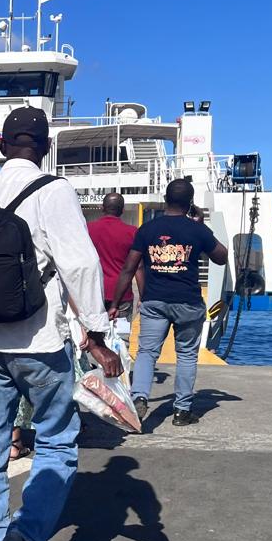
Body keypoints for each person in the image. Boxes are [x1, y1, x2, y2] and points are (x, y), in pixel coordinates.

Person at [0, 106, 122, 541]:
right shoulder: (54, 191)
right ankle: (26, 538)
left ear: (1, 145)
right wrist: (96, 333)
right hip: (40, 341)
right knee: (55, 441)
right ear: (46, 146)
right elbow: (80, 265)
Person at [109, 178, 228, 426]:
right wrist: (202, 228)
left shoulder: (147, 229)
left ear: (165, 199)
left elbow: (129, 268)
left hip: (155, 301)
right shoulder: (197, 229)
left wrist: (114, 303)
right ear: (190, 203)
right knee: (186, 355)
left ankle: (139, 397)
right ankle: (182, 411)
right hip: (188, 302)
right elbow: (221, 257)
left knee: (147, 353)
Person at [87, 192, 140, 319]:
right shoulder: (132, 232)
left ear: (102, 208)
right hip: (121, 294)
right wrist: (142, 296)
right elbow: (139, 267)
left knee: (93, 330)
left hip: (93, 292)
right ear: (122, 210)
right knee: (120, 331)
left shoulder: (87, 229)